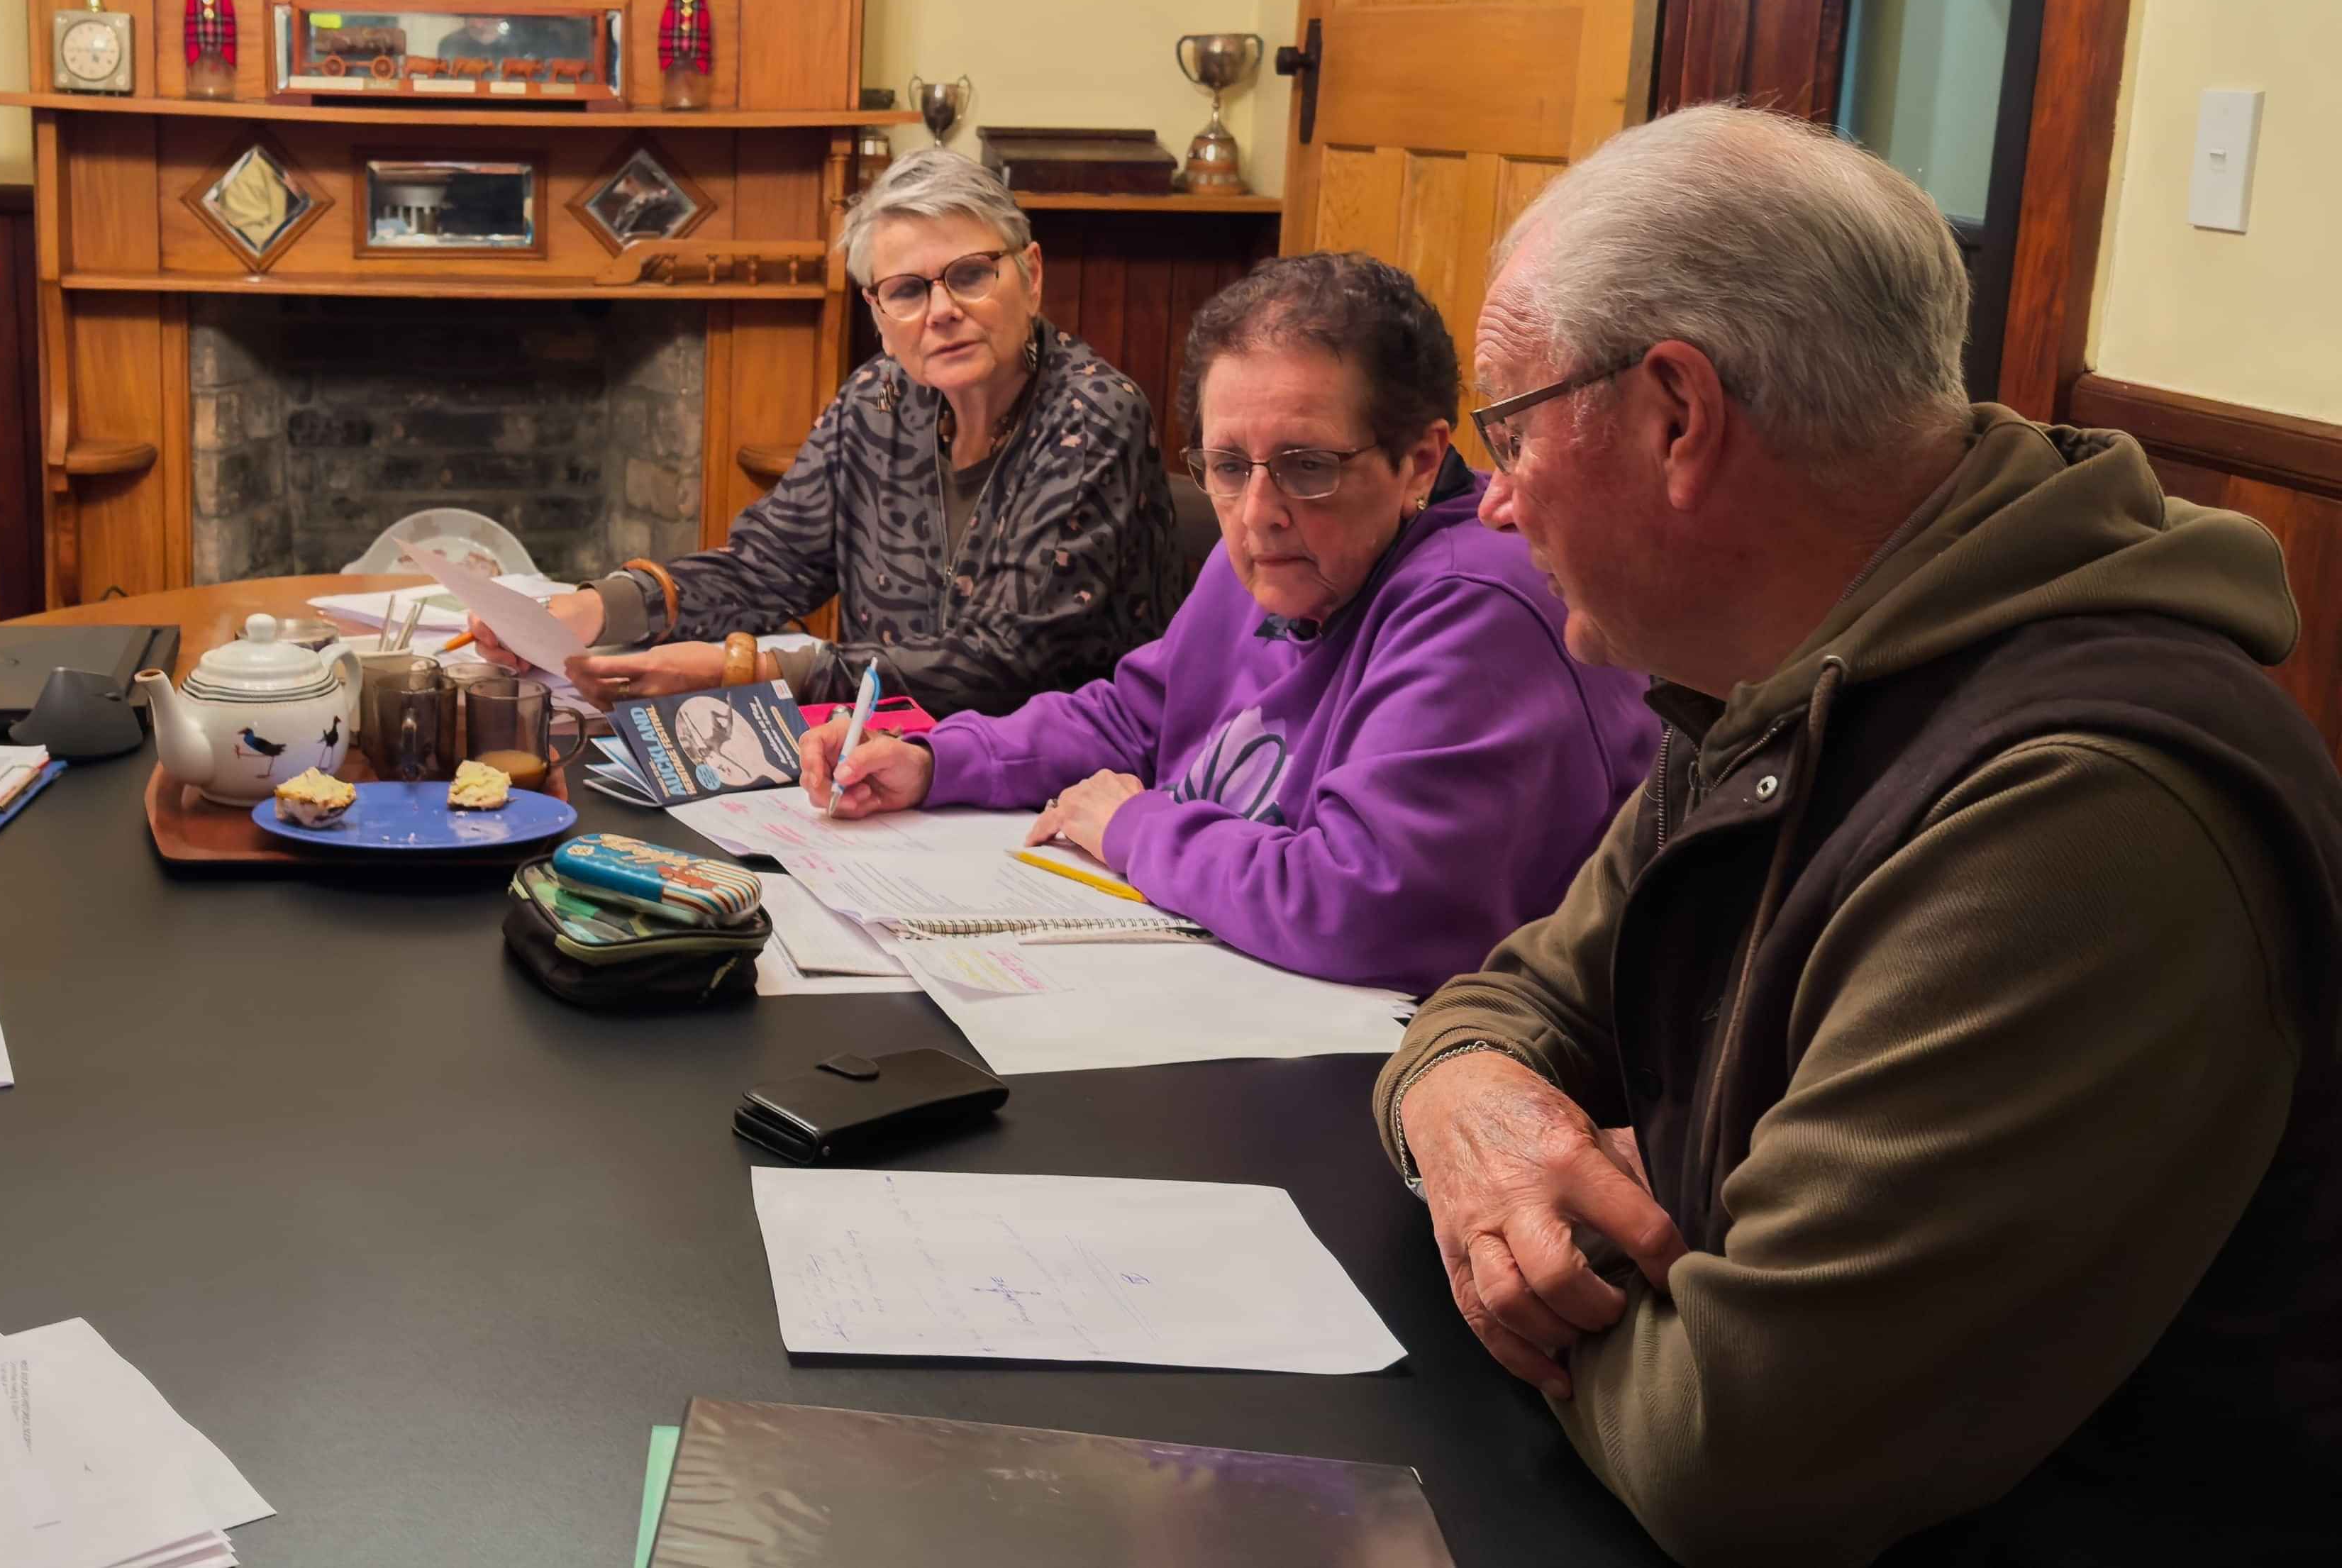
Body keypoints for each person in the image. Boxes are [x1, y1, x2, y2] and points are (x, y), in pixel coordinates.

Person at [1380, 105, 2342, 1559]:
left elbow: (1740, 1443)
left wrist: (1545, 1242)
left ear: (1677, 415)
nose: (1494, 499)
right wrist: (1474, 1121)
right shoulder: (1790, 673)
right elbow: (1502, 1001)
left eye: (1508, 426)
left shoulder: (2083, 814)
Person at [798, 253, 1656, 992]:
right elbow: (1133, 718)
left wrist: (1136, 829)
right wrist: (932, 760)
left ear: (1420, 461)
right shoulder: (1271, 558)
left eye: (1307, 465)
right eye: (1226, 465)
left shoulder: (1483, 602)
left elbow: (1366, 903)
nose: (1257, 512)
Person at [471, 148, 1177, 716]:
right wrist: (594, 610)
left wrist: (747, 668)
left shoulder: (1092, 415)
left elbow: (1007, 662)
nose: (942, 310)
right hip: (877, 758)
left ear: (1031, 272)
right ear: (877, 309)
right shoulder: (878, 399)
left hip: (1052, 780)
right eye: (907, 289)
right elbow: (769, 563)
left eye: (969, 274)